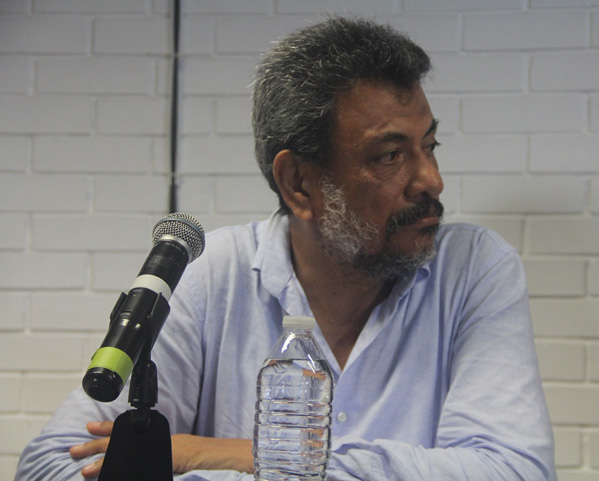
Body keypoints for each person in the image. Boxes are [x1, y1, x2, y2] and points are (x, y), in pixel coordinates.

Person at [15, 16, 556, 481]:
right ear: (298, 183)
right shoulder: (210, 275)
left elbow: (513, 471)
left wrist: (247, 457)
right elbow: (51, 465)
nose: (431, 179)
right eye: (391, 156)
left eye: (429, 146)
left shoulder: (473, 270)